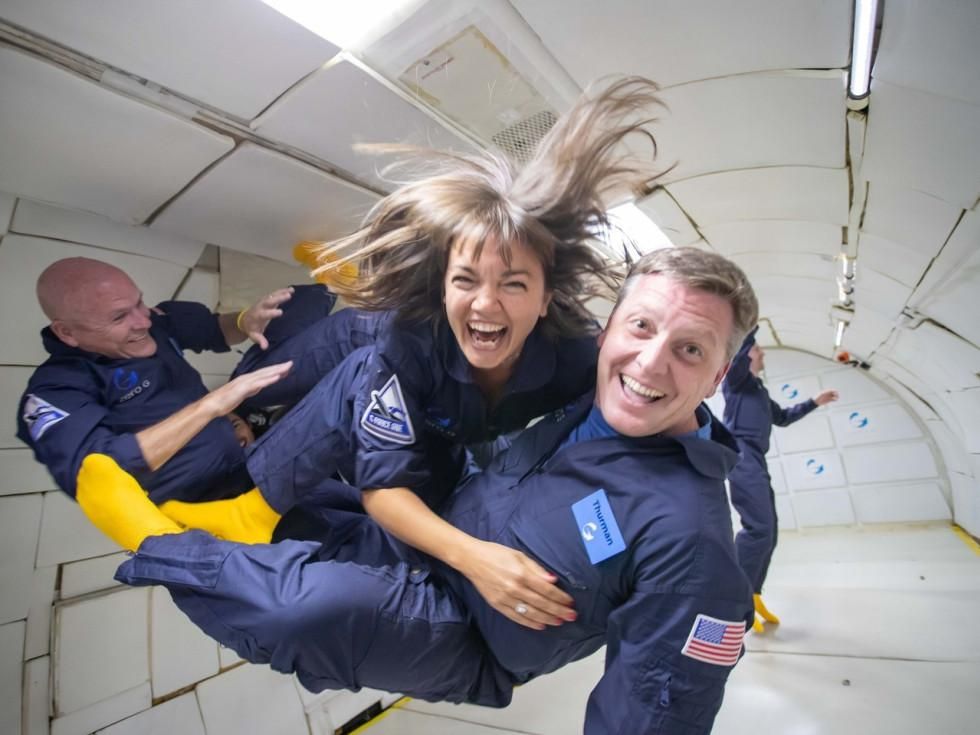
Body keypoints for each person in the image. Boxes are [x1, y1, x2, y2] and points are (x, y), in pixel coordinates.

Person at [76, 246, 759, 734]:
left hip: (469, 632)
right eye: (641, 326)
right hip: (449, 517)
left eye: (690, 349)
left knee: (307, 609)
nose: (650, 363)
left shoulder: (691, 545)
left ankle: (156, 544)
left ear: (718, 375)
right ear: (609, 329)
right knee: (373, 368)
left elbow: (657, 713)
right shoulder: (588, 371)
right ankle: (250, 507)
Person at [158, 77, 666, 630]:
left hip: (442, 428)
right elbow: (384, 489)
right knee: (279, 383)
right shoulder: (408, 341)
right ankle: (249, 490)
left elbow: (648, 403)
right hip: (364, 346)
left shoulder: (576, 357)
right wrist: (478, 561)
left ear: (546, 300)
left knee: (423, 516)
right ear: (444, 288)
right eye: (466, 280)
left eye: (514, 284)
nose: (486, 304)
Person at [16, 256, 299, 505]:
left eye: (139, 302)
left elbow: (215, 329)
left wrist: (245, 321)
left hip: (253, 461)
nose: (144, 321)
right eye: (119, 317)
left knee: (306, 303)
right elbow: (99, 473)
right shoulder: (56, 391)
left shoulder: (155, 323)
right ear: (67, 332)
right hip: (205, 503)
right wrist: (209, 407)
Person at [722, 330, 839, 632]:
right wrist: (748, 326)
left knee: (769, 531)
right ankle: (733, 596)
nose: (762, 353)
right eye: (757, 349)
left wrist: (815, 401)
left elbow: (783, 417)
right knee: (758, 528)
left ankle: (752, 592)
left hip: (756, 459)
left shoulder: (759, 391)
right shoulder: (737, 382)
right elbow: (740, 347)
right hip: (741, 455)